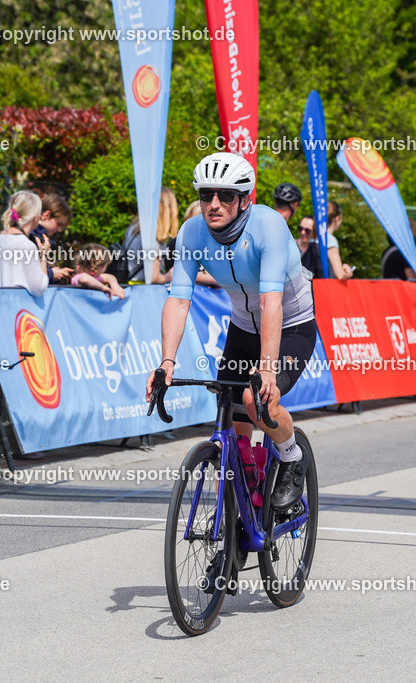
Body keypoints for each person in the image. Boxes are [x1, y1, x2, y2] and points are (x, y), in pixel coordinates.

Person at [147, 152, 316, 518]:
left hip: (291, 324)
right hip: (243, 325)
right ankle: (248, 501)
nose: (214, 204)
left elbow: (272, 304)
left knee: (258, 401)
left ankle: (292, 457)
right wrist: (166, 363)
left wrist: (267, 370)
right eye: (206, 195)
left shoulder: (268, 227)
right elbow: (178, 300)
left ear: (244, 200)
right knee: (235, 417)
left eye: (225, 195)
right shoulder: (191, 232)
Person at [0, 190, 50, 295]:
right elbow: (39, 288)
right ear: (35, 217)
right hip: (16, 309)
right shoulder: (26, 246)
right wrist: (43, 256)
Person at [39, 193, 74, 284]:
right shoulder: (34, 237)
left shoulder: (41, 237)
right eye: (58, 224)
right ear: (46, 215)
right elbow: (32, 274)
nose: (59, 230)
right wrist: (52, 273)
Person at [325, 201, 355, 279]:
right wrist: (348, 272)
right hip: (323, 287)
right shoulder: (330, 240)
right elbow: (340, 275)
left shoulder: (313, 236)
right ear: (337, 219)